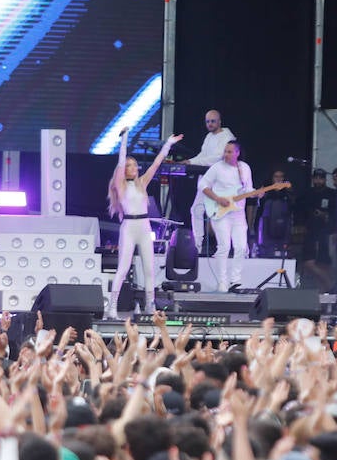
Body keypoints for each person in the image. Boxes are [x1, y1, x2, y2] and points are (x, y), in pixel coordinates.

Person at [106, 127, 182, 318]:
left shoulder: (141, 183)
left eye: (135, 165)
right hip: (129, 228)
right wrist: (124, 139)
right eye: (130, 165)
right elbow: (121, 160)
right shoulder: (120, 185)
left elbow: (156, 164)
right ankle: (112, 307)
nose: (134, 167)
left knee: (149, 268)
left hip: (144, 226)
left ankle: (150, 305)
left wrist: (168, 145)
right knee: (123, 268)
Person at [200, 140, 255, 292]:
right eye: (225, 151)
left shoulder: (244, 168)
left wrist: (257, 193)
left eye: (230, 152)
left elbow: (247, 189)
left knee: (241, 247)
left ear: (237, 153)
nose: (226, 154)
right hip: (221, 212)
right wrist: (217, 198)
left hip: (238, 213)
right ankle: (222, 282)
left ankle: (235, 281)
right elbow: (203, 185)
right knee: (224, 246)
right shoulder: (217, 167)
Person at [187, 110, 237, 251]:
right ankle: (197, 245)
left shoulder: (227, 136)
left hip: (221, 181)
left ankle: (236, 248)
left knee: (223, 215)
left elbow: (217, 157)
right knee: (196, 210)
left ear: (220, 121)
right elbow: (203, 155)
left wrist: (193, 163)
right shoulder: (209, 137)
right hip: (207, 180)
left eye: (213, 121)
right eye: (207, 121)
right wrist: (189, 161)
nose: (210, 124)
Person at [296, 168, 337, 290]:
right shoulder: (307, 193)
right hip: (310, 232)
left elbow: (336, 214)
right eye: (316, 178)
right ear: (313, 179)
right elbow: (300, 211)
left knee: (324, 264)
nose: (318, 180)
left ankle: (325, 295)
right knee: (308, 263)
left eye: (321, 178)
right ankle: (331, 286)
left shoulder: (332, 194)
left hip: (326, 233)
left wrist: (325, 215)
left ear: (325, 179)